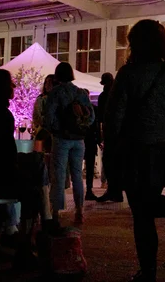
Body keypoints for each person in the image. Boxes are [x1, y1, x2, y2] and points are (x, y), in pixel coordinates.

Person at [103, 19, 165, 282]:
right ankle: (149, 271)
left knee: (141, 213)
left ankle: (150, 269)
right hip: (164, 150)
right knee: (144, 208)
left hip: (135, 150)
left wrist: (111, 149)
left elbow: (114, 117)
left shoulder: (128, 74)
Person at [0, 68, 54, 263]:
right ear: (1, 88)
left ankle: (2, 240)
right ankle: (29, 239)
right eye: (11, 83)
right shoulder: (1, 115)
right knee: (33, 188)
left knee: (35, 165)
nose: (14, 86)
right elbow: (5, 156)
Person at [43, 62, 95, 226]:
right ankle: (79, 211)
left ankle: (56, 212)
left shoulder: (55, 93)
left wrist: (54, 129)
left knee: (58, 175)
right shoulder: (80, 92)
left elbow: (49, 117)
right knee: (77, 176)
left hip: (61, 138)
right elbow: (91, 117)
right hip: (79, 139)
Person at [97, 72, 123, 203]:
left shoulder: (104, 96)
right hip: (120, 134)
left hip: (110, 132)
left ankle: (113, 191)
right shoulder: (117, 94)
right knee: (116, 163)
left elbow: (101, 116)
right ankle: (116, 191)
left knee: (108, 162)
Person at [32, 74, 55, 152]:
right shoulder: (41, 98)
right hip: (43, 131)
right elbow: (36, 115)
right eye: (46, 82)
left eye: (50, 83)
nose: (47, 85)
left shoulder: (59, 98)